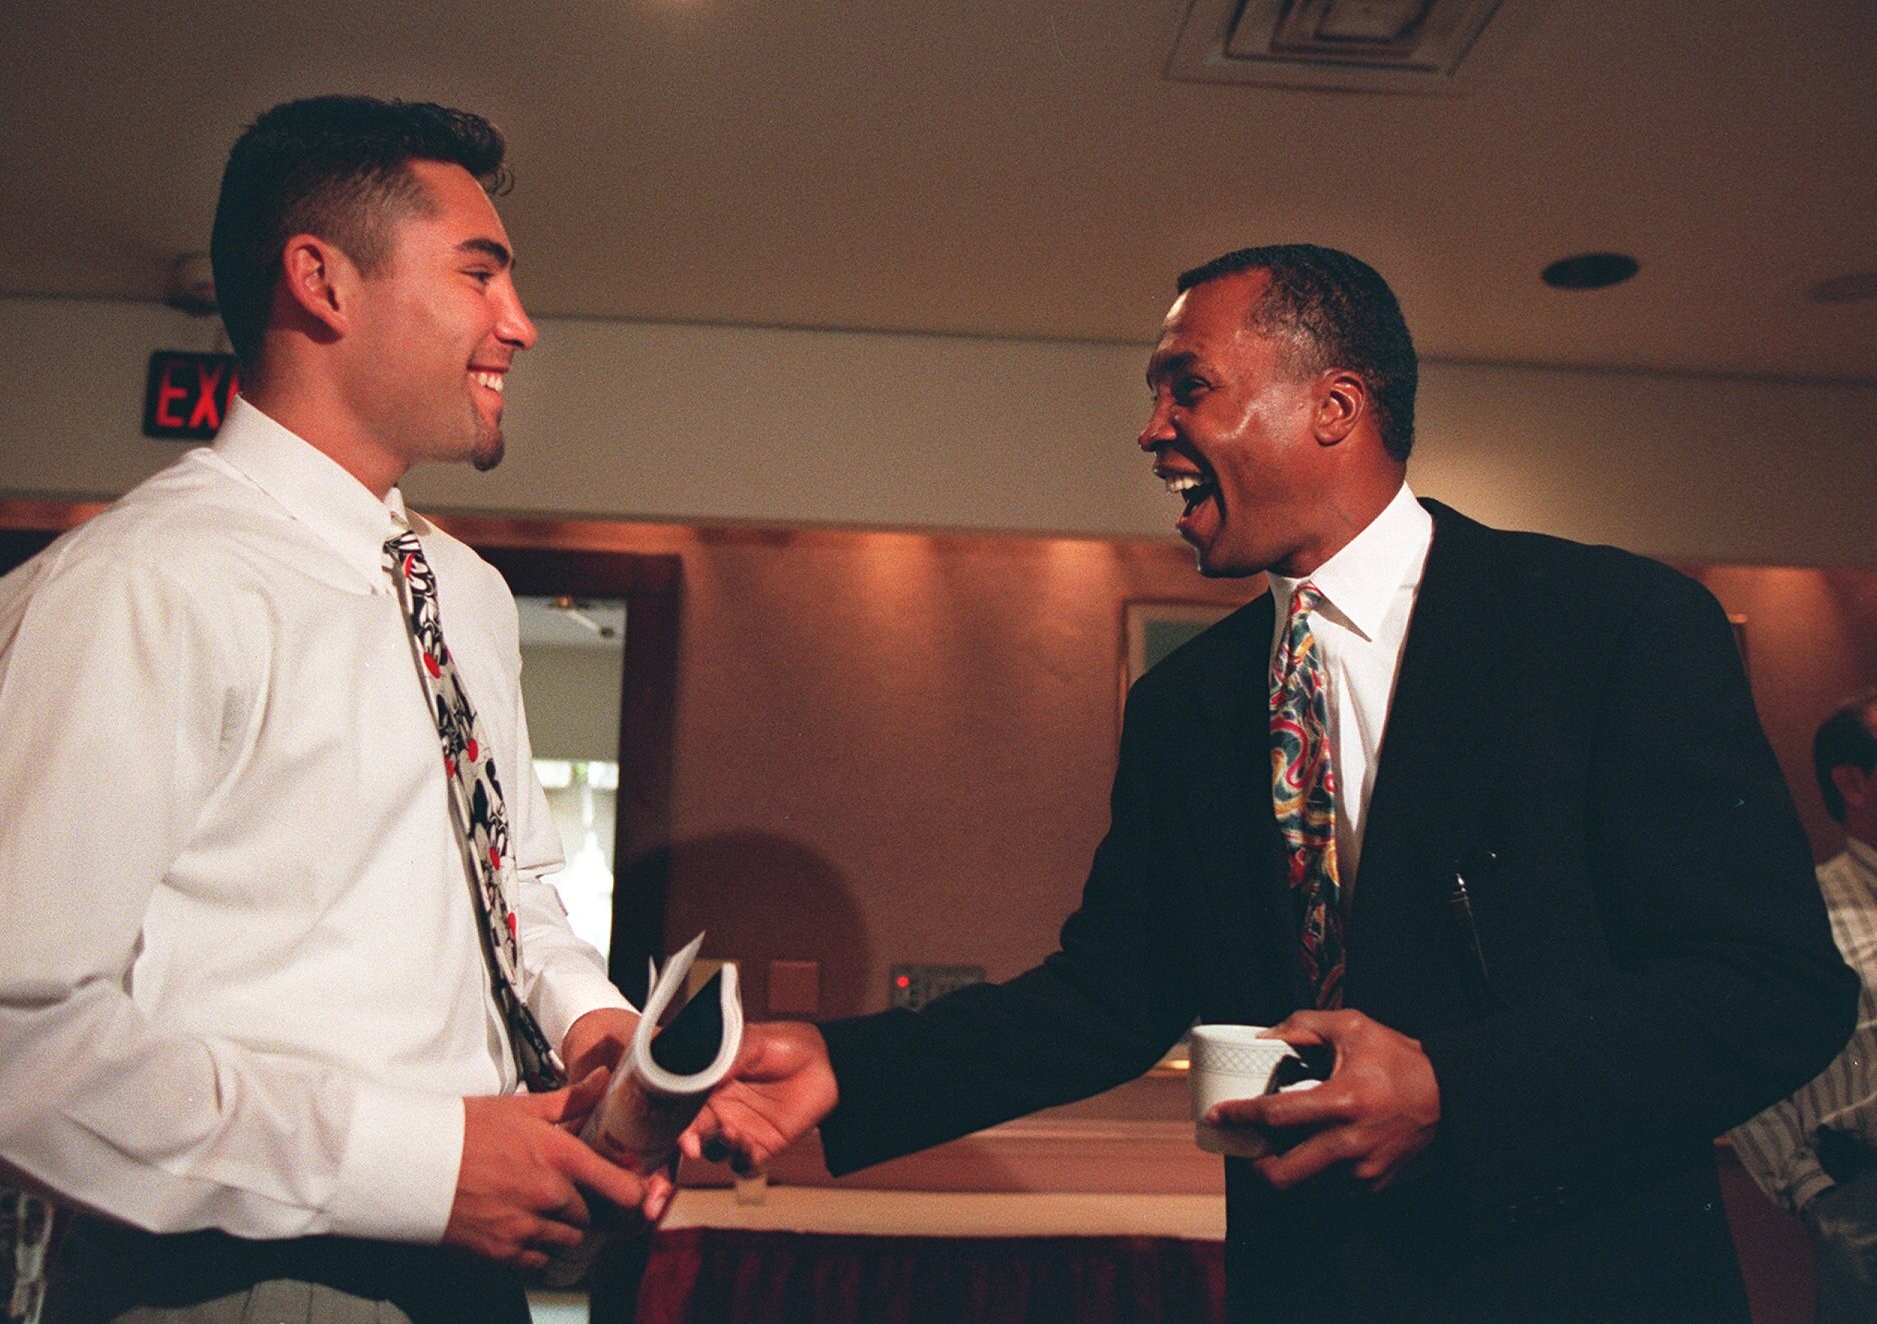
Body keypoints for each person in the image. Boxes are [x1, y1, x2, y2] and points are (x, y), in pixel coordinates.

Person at [686, 244, 1857, 1322]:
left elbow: (1769, 990)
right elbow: (1114, 992)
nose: (1151, 431)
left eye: (1184, 386)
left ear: (1334, 407)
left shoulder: (1611, 628)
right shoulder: (1185, 704)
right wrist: (852, 1065)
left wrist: (1453, 1086)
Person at [0, 95, 668, 1324]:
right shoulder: (141, 585)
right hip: (240, 1277)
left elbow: (511, 880)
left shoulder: (467, 593)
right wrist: (417, 1166)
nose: (520, 325)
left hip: (471, 1271)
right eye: (480, 273)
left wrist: (586, 1016)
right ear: (322, 282)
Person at [1732, 690, 1877, 1322]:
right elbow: (1748, 1067)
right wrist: (1816, 1195)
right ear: (1852, 781)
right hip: (1866, 1203)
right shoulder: (1805, 915)